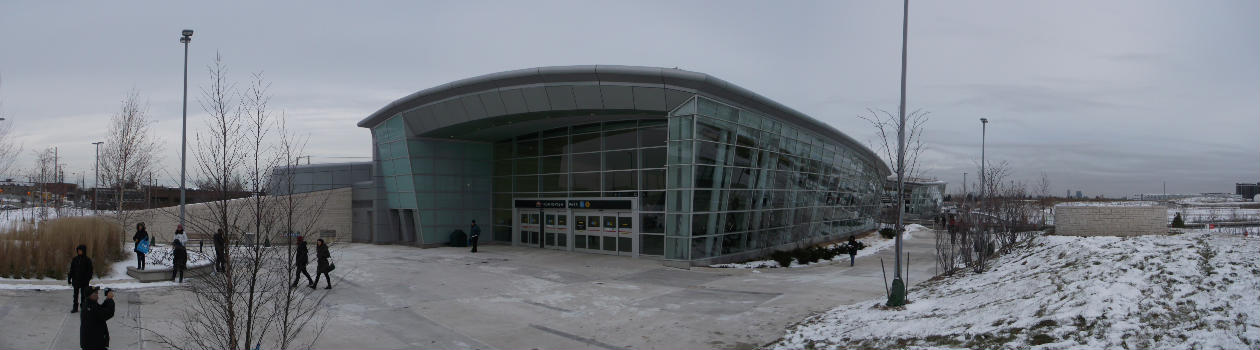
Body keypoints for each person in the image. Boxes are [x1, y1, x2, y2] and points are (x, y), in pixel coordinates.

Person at [68, 245, 93, 313]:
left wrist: (88, 279)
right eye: (78, 250)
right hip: (76, 280)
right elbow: (72, 269)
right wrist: (69, 278)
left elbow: (90, 271)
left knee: (83, 295)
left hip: (84, 281)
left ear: (84, 251)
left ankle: (83, 307)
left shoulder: (87, 260)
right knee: (75, 295)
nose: (79, 252)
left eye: (80, 250)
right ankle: (75, 307)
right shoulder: (75, 259)